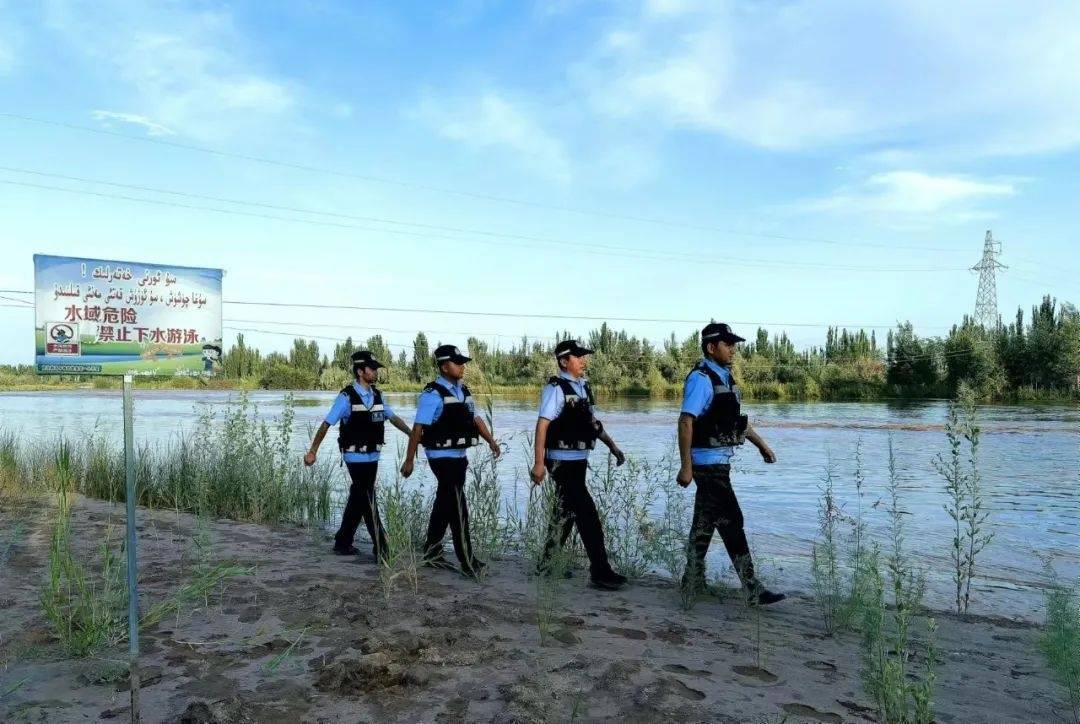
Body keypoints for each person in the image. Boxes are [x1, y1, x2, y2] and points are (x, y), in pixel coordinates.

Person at [676, 323, 786, 605]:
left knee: (706, 522)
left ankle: (692, 579)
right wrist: (686, 466)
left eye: (734, 344)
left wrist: (763, 446)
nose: (733, 349)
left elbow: (736, 423)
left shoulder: (724, 377)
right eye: (728, 344)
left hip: (719, 463)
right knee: (732, 520)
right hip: (707, 464)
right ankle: (751, 587)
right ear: (712, 347)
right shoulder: (701, 379)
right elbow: (686, 421)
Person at [529, 339, 628, 591]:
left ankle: (547, 563)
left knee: (565, 512)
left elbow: (592, 423)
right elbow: (543, 425)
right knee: (588, 514)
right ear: (564, 361)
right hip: (560, 461)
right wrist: (539, 463)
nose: (584, 360)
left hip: (579, 461)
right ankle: (600, 572)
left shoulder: (583, 388)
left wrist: (612, 446)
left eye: (584, 356)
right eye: (578, 356)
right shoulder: (556, 389)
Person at [400, 344, 500, 577]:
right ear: (445, 366)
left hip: (459, 457)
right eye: (458, 363)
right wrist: (409, 460)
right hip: (440, 457)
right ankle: (467, 562)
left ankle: (432, 552)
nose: (463, 366)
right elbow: (417, 428)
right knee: (458, 507)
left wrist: (491, 441)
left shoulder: (464, 391)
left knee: (444, 504)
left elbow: (476, 420)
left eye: (463, 362)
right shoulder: (432, 394)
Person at [304, 350, 411, 560]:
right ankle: (382, 547)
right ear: (361, 371)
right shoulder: (346, 397)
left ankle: (342, 542)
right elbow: (327, 424)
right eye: (372, 369)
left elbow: (393, 417)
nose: (376, 372)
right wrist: (313, 451)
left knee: (359, 497)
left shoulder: (377, 395)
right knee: (368, 498)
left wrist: (411, 434)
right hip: (354, 456)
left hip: (373, 456)